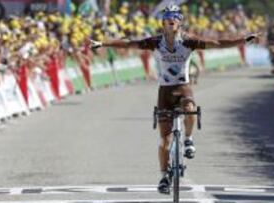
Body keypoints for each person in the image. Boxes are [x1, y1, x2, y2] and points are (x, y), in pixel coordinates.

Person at [90, 4, 259, 194]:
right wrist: (104, 43)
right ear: (163, 22)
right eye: (168, 17)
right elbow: (130, 43)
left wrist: (243, 40)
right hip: (164, 92)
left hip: (183, 87)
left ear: (180, 21)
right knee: (164, 140)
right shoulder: (155, 42)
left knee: (189, 108)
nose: (171, 21)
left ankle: (188, 139)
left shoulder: (188, 41)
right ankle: (163, 177)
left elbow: (218, 43)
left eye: (175, 17)